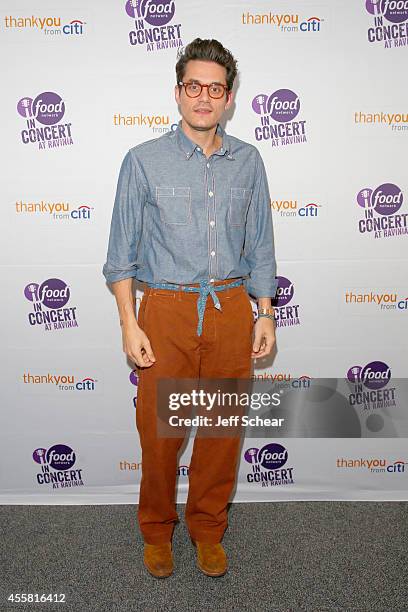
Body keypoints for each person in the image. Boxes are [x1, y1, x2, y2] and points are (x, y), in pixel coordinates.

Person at [102, 38, 278, 578]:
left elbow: (261, 244)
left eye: (216, 87)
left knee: (222, 434)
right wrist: (130, 324)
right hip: (168, 313)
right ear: (179, 93)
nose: (204, 96)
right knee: (159, 437)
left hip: (230, 309)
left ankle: (207, 528)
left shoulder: (249, 162)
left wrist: (265, 312)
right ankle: (156, 530)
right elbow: (120, 256)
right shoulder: (142, 161)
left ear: (229, 98)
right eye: (194, 86)